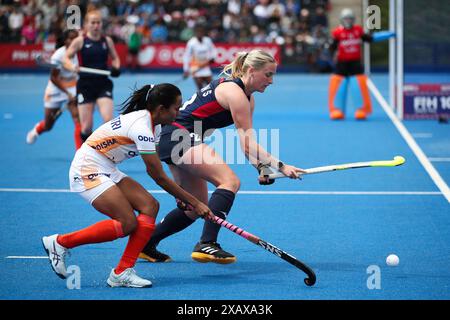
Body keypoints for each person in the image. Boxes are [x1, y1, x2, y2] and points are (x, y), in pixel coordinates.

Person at [139, 50, 304, 265]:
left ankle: (147, 243)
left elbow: (246, 145)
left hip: (173, 137)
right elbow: (248, 143)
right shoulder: (235, 93)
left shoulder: (247, 98)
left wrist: (262, 168)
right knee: (230, 181)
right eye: (268, 74)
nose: (271, 81)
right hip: (179, 136)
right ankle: (207, 243)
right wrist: (281, 166)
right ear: (251, 71)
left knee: (194, 206)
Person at [42, 83, 214, 288]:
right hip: (87, 169)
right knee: (127, 223)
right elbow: (157, 176)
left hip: (106, 166)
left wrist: (180, 195)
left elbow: (160, 166)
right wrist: (194, 201)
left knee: (150, 206)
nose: (179, 111)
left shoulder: (155, 126)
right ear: (161, 109)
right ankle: (61, 242)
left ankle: (122, 272)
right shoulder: (141, 127)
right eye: (176, 108)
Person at [64, 10, 121, 144]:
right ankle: (86, 153)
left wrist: (116, 68)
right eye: (93, 23)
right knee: (86, 127)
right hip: (85, 85)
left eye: (98, 22)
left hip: (103, 84)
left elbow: (115, 58)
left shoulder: (107, 41)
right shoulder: (80, 41)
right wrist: (72, 67)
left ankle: (107, 151)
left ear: (101, 24)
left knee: (108, 120)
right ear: (87, 24)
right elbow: (66, 57)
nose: (96, 25)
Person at [328, 8, 395, 120]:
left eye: (350, 19)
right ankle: (337, 109)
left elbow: (370, 38)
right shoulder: (337, 33)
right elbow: (332, 47)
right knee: (339, 85)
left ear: (353, 19)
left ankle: (361, 110)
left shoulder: (358, 31)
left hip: (355, 63)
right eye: (346, 19)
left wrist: (387, 35)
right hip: (341, 64)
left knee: (358, 85)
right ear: (341, 20)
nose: (348, 21)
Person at [26, 29, 82, 149]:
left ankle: (80, 153)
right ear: (65, 40)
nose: (73, 41)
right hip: (56, 90)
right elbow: (54, 78)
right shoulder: (58, 55)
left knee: (78, 118)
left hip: (72, 86)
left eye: (75, 38)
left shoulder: (80, 52)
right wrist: (67, 93)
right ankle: (37, 130)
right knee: (48, 125)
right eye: (70, 38)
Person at [182, 23, 217, 90]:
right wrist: (186, 70)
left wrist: (212, 58)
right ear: (195, 32)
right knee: (200, 89)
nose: (200, 33)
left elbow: (214, 50)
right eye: (198, 32)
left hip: (206, 67)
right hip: (196, 68)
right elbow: (186, 56)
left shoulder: (207, 40)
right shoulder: (191, 43)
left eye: (201, 31)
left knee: (212, 88)